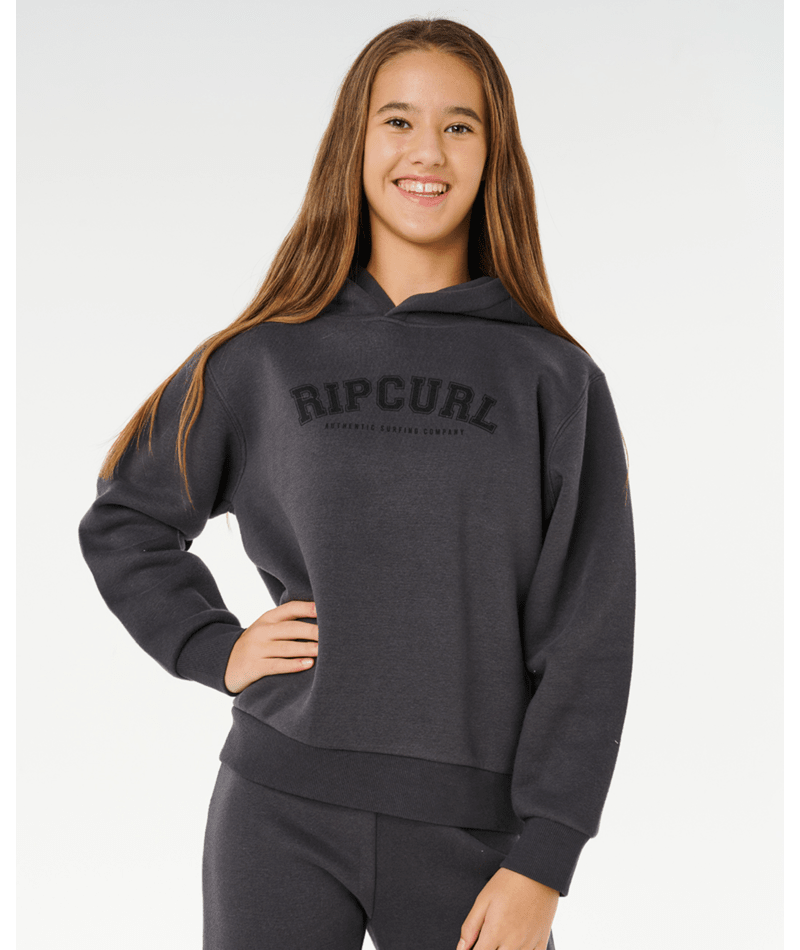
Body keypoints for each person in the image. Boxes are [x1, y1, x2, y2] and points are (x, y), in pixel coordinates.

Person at [78, 16, 636, 950]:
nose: (428, 152)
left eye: (460, 126)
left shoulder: (553, 379)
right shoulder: (262, 358)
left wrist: (546, 856)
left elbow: (590, 632)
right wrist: (214, 646)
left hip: (478, 839)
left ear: (494, 154)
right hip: (277, 807)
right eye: (398, 121)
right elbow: (126, 519)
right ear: (356, 141)